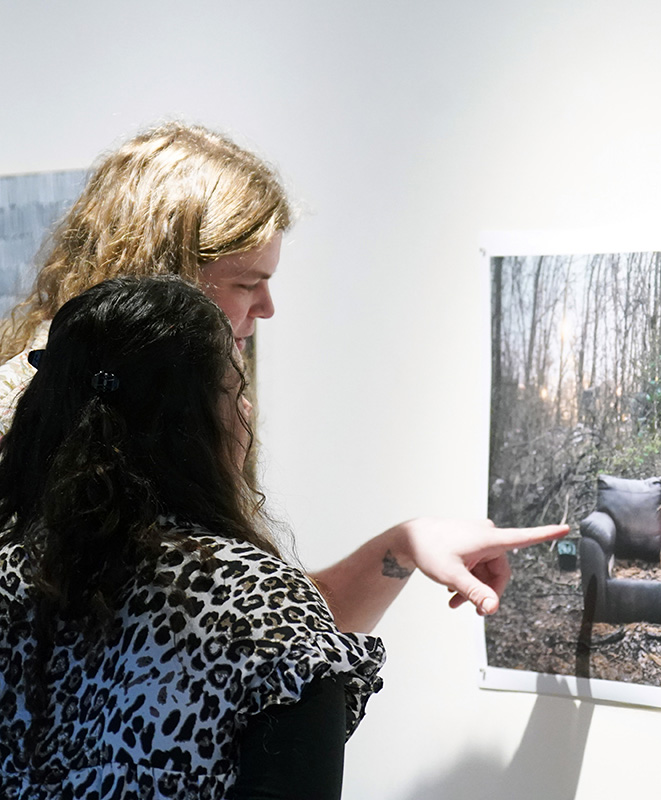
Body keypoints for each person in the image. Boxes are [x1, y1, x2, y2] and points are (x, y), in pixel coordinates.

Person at [0, 121, 568, 634]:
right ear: (166, 276)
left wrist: (403, 546)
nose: (267, 307)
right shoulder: (28, 406)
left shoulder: (189, 404)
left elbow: (254, 627)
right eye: (246, 283)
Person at [0, 275, 384, 799]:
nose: (246, 412)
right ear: (194, 421)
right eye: (234, 389)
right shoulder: (258, 606)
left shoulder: (11, 573)